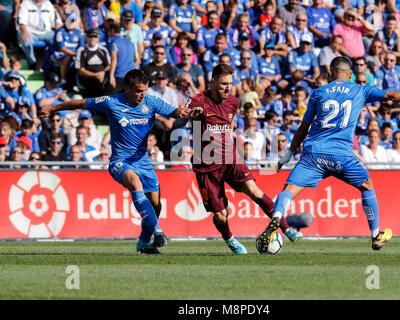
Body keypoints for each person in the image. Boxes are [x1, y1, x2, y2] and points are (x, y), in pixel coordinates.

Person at [256, 56, 400, 253]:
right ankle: (376, 235)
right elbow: (393, 96)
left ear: (330, 73)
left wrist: (288, 154)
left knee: (288, 190)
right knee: (367, 186)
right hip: (342, 156)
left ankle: (277, 218)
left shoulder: (318, 92)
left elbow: (304, 127)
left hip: (314, 155)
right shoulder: (360, 89)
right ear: (351, 75)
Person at [39, 69, 193, 254]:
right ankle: (158, 232)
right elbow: (80, 103)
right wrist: (53, 108)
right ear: (127, 88)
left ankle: (143, 242)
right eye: (138, 91)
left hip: (143, 161)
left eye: (144, 90)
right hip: (120, 161)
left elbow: (177, 114)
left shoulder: (151, 101)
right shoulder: (111, 102)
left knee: (156, 205)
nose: (142, 94)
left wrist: (187, 114)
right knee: (135, 183)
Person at [175, 63, 302, 254]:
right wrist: (189, 117)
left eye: (230, 84)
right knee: (221, 214)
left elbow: (230, 125)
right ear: (212, 82)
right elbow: (177, 120)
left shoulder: (233, 102)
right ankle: (230, 239)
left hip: (230, 158)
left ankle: (286, 228)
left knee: (255, 191)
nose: (228, 88)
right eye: (223, 84)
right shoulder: (197, 100)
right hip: (206, 166)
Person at [75, 28, 111, 97]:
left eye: (95, 37)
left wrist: (103, 73)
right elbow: (80, 70)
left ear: (98, 38)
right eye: (90, 36)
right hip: (87, 82)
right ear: (86, 38)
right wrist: (95, 75)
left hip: (102, 80)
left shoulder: (103, 50)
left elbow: (109, 66)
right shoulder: (81, 50)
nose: (92, 39)